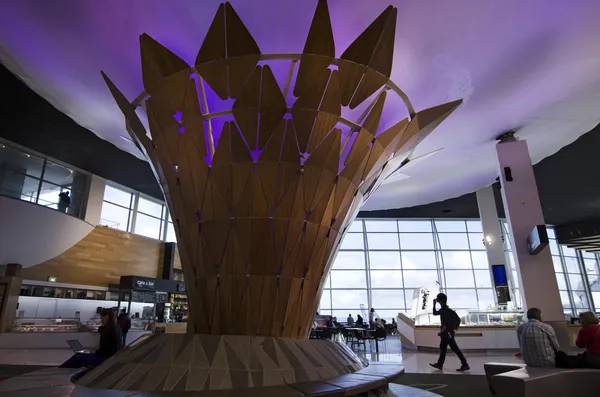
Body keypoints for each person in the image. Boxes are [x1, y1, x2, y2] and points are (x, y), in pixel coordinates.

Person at [429, 293, 469, 372]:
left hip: (447, 333)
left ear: (440, 300)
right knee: (444, 348)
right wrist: (434, 304)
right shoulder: (445, 309)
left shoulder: (444, 310)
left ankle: (465, 364)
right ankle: (440, 364)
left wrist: (441, 331)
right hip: (449, 333)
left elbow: (445, 323)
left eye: (437, 298)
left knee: (454, 349)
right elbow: (435, 313)